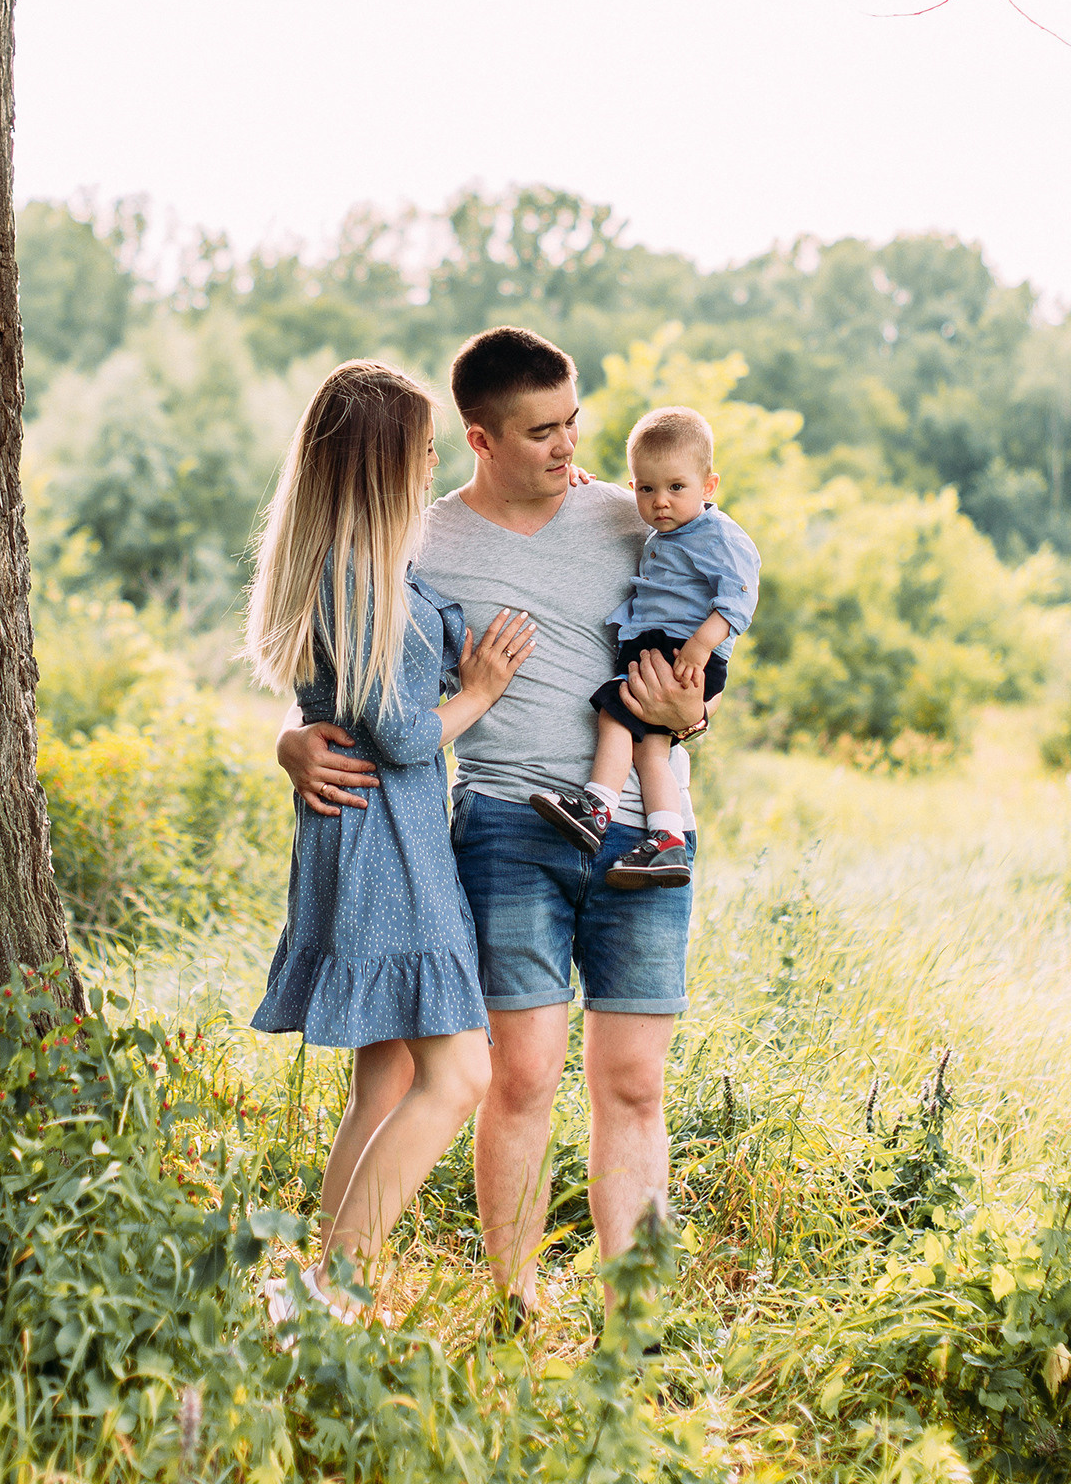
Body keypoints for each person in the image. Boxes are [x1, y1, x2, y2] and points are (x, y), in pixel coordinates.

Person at [276, 326, 708, 1317]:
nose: (565, 448)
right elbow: (346, 661)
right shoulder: (420, 536)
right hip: (500, 828)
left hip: (641, 823)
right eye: (539, 432)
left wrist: (696, 713)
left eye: (570, 425)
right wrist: (291, 738)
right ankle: (499, 1298)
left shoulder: (631, 517)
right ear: (478, 439)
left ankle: (632, 1317)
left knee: (631, 1081)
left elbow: (698, 647)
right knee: (506, 1075)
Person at [245, 358, 534, 1311]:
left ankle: (313, 1295)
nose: (431, 462)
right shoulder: (370, 587)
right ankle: (333, 1291)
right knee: (458, 1075)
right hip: (389, 848)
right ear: (380, 467)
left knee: (388, 1078)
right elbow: (407, 734)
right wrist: (480, 692)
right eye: (419, 450)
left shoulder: (340, 571)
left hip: (354, 838)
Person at [532, 403, 759, 884]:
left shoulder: (719, 535)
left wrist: (701, 646)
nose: (661, 502)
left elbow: (739, 597)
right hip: (660, 645)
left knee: (615, 712)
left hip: (683, 650)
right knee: (652, 749)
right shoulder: (664, 532)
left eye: (677, 488)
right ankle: (667, 839)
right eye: (648, 489)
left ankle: (597, 806)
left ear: (709, 487)